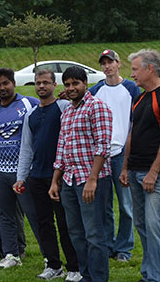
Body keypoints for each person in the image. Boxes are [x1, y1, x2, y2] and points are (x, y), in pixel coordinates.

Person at [49, 66, 114, 282]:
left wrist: (92, 180)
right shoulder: (67, 111)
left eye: (75, 83)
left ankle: (98, 278)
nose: (71, 88)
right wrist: (55, 181)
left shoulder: (98, 107)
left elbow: (103, 146)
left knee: (94, 234)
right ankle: (86, 275)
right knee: (75, 232)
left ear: (85, 83)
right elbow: (62, 146)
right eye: (67, 84)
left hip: (92, 180)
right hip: (69, 179)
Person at [120, 49, 160, 282]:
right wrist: (125, 167)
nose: (132, 74)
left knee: (155, 227)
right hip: (134, 171)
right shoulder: (140, 97)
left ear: (149, 69)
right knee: (142, 226)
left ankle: (157, 277)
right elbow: (132, 134)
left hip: (155, 174)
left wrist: (154, 172)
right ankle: (149, 273)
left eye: (135, 69)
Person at [15, 69, 81, 281]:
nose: (41, 86)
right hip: (37, 176)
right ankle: (53, 264)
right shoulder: (30, 115)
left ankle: (74, 266)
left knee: (65, 222)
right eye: (38, 83)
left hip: (60, 175)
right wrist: (21, 177)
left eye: (46, 82)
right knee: (44, 222)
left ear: (54, 85)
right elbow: (26, 148)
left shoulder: (63, 108)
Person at [0, 67, 40, 269]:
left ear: (14, 83)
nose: (2, 88)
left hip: (23, 169)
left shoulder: (29, 103)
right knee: (6, 214)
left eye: (6, 83)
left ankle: (50, 257)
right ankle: (11, 255)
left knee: (33, 214)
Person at [89, 49, 140, 262]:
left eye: (111, 62)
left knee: (126, 204)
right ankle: (108, 245)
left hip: (122, 153)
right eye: (104, 63)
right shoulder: (96, 90)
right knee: (103, 204)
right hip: (101, 154)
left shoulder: (131, 88)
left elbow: (137, 120)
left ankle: (124, 248)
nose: (107, 66)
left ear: (119, 63)